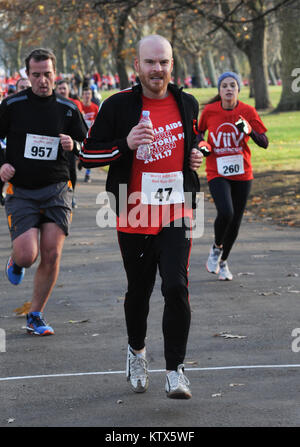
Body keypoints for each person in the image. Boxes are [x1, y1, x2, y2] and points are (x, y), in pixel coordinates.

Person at [80, 34, 203, 399]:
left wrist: (194, 155)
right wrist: (125, 145)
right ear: (137, 66)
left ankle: (176, 371)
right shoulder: (117, 106)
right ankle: (136, 351)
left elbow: (192, 141)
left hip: (176, 210)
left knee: (176, 286)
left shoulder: (187, 102)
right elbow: (87, 157)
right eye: (150, 62)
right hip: (132, 211)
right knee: (140, 291)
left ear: (172, 65)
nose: (157, 69)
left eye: (163, 62)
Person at [0, 48, 87, 335]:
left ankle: (35, 314)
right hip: (22, 190)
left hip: (57, 188)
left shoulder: (68, 108)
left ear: (55, 73)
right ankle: (16, 259)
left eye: (47, 74)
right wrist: (2, 165)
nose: (42, 81)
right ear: (27, 74)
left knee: (51, 254)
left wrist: (73, 145)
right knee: (28, 255)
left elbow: (88, 145)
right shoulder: (12, 105)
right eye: (35, 75)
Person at [197, 71, 268, 281]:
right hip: (217, 170)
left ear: (238, 89)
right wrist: (202, 145)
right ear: (219, 91)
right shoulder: (210, 111)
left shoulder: (248, 111)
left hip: (242, 172)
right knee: (226, 212)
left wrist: (249, 131)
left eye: (232, 85)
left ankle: (224, 261)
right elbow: (199, 133)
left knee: (236, 221)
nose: (228, 89)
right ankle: (216, 248)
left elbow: (264, 142)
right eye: (224, 86)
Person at [55, 79, 83, 208]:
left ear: (68, 90)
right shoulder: (53, 105)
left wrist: (76, 145)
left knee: (72, 171)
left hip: (70, 146)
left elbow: (81, 130)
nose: (62, 91)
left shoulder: (74, 105)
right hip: (55, 147)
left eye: (64, 88)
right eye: (60, 88)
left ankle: (72, 195)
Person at [80, 86, 99, 183]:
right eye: (85, 94)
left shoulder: (95, 108)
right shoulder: (79, 107)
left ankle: (87, 174)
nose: (87, 96)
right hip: (79, 134)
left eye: (89, 94)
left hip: (90, 135)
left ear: (91, 95)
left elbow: (98, 122)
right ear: (82, 95)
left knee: (90, 154)